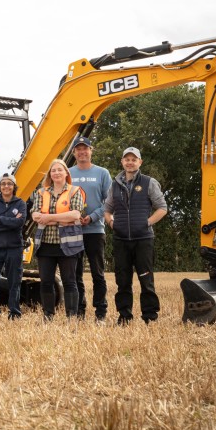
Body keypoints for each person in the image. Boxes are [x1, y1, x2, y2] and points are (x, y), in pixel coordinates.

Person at [104, 147, 168, 325]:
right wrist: (111, 223)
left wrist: (146, 223)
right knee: (122, 281)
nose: (130, 162)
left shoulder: (149, 182)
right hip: (121, 240)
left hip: (143, 240)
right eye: (127, 159)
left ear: (140, 162)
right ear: (122, 162)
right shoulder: (114, 185)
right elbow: (107, 210)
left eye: (134, 159)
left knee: (146, 280)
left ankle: (150, 317)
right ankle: (124, 316)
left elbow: (162, 208)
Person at [31, 159, 85, 319]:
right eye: (53, 170)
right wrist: (61, 218)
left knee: (70, 282)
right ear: (50, 174)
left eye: (59, 170)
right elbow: (35, 214)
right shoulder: (41, 192)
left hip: (68, 244)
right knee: (46, 282)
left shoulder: (75, 191)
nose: (56, 173)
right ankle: (48, 315)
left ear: (66, 173)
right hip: (46, 244)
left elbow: (75, 214)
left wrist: (48, 218)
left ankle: (72, 316)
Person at [68, 137, 112, 322]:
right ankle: (79, 311)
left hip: (95, 230)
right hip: (72, 230)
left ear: (91, 151)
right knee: (75, 274)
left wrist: (93, 216)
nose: (82, 152)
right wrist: (74, 217)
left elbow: (110, 202)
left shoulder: (102, 173)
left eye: (85, 149)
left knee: (97, 273)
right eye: (78, 149)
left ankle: (100, 312)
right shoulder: (67, 173)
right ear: (74, 153)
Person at [0, 173, 27, 319]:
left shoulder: (20, 203)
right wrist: (9, 221)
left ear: (14, 187)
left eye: (9, 183)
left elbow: (19, 224)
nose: (6, 186)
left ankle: (14, 312)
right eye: (3, 184)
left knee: (15, 281)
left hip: (14, 247)